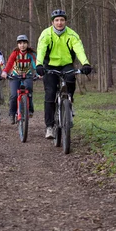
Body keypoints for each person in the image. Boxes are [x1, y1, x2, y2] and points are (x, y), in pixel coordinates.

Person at [35, 9, 92, 139]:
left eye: (62, 20)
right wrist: (39, 65)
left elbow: (79, 49)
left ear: (65, 21)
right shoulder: (46, 34)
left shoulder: (72, 34)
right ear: (52, 22)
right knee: (50, 95)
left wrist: (85, 63)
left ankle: (69, 101)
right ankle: (49, 127)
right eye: (57, 20)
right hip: (50, 66)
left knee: (71, 77)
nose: (59, 23)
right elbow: (41, 50)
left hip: (66, 65)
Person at [1, 34, 38, 124]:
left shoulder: (31, 54)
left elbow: (36, 64)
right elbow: (9, 64)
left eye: (24, 43)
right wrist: (5, 72)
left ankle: (29, 110)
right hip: (15, 76)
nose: (22, 45)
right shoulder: (15, 53)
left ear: (27, 44)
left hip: (27, 75)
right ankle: (12, 114)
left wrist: (38, 73)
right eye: (20, 43)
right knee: (14, 95)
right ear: (18, 44)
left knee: (29, 90)